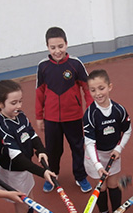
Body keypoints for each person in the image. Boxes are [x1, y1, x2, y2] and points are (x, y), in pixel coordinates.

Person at [0, 79, 54, 213]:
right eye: (13, 103)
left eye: (20, 101)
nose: (18, 105)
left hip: (25, 170)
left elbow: (31, 135)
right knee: (21, 206)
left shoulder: (20, 116)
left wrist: (41, 149)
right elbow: (18, 160)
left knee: (30, 199)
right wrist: (42, 172)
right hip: (14, 172)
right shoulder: (2, 127)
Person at [35, 26, 94, 193]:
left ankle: (80, 176)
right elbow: (39, 93)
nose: (57, 51)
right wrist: (40, 116)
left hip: (74, 117)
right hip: (51, 119)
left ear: (66, 44)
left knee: (77, 147)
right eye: (53, 47)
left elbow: (87, 88)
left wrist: (89, 112)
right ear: (47, 47)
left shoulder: (75, 64)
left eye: (60, 46)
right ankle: (52, 176)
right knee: (53, 150)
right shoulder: (43, 67)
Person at [83, 69, 132, 213]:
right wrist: (97, 165)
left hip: (113, 154)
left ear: (110, 87)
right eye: (93, 90)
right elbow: (89, 143)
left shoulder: (119, 110)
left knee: (113, 184)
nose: (97, 93)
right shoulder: (90, 114)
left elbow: (128, 130)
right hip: (95, 156)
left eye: (101, 88)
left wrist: (119, 148)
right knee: (101, 186)